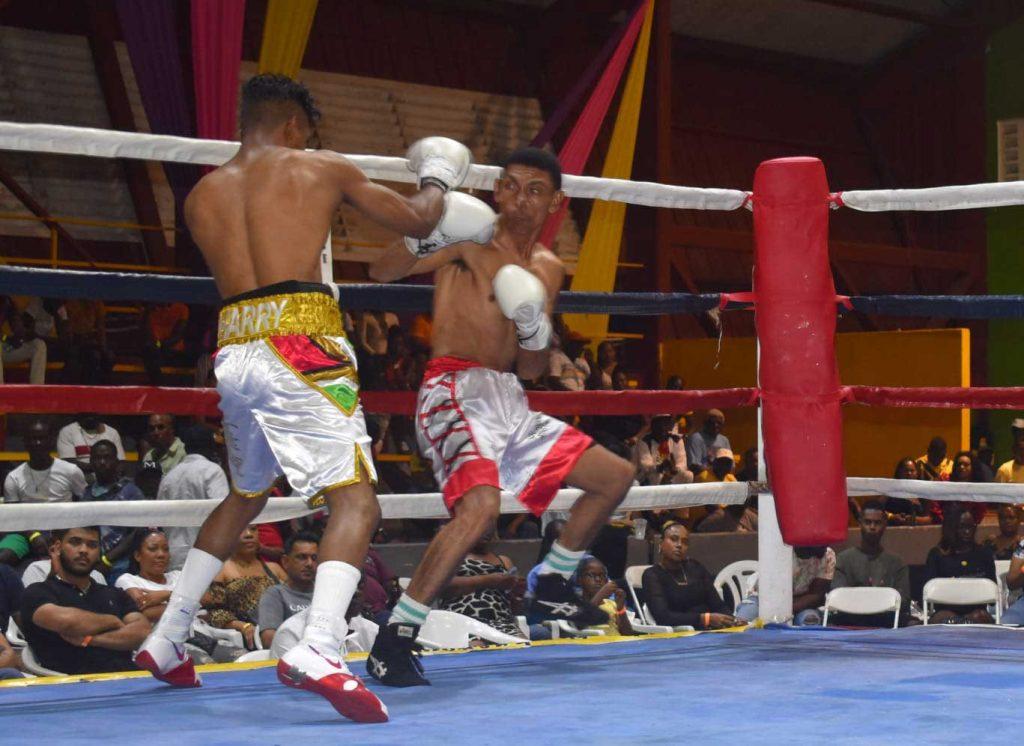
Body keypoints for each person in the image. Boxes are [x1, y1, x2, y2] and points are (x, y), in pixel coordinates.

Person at [135, 73, 473, 723]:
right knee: (357, 501)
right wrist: (437, 173)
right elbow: (419, 218)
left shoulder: (202, 194)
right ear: (294, 127)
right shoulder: (319, 167)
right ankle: (319, 648)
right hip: (303, 340)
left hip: (233, 348)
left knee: (247, 492)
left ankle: (169, 634)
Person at [367, 147, 635, 687]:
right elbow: (381, 269)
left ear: (555, 202)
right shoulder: (467, 238)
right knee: (480, 510)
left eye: (534, 190)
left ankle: (553, 581)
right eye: (510, 186)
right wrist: (428, 234)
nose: (519, 198)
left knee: (615, 477)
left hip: (508, 397)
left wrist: (535, 329)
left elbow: (531, 366)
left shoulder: (550, 269)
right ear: (497, 191)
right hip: (451, 388)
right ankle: (394, 636)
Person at [19, 527, 150, 674]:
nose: (84, 550)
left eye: (92, 545)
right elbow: (67, 622)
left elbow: (142, 632)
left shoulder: (114, 593)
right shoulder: (38, 592)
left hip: (129, 679)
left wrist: (90, 639)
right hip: (70, 686)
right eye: (75, 542)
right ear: (56, 548)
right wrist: (113, 621)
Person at [156, 425, 230, 570]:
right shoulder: (212, 471)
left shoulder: (169, 476)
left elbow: (159, 518)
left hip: (174, 554)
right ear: (210, 446)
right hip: (206, 555)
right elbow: (224, 514)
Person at [641, 522, 741, 630]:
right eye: (674, 539)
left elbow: (717, 605)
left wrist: (732, 620)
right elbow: (663, 617)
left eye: (685, 542)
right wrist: (704, 619)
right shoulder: (652, 575)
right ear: (661, 544)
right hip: (680, 634)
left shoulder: (695, 567)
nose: (679, 545)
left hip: (711, 630)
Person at [831, 500, 912, 627]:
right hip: (850, 621)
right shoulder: (843, 559)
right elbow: (838, 598)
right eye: (868, 522)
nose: (872, 527)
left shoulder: (897, 563)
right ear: (860, 523)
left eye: (877, 522)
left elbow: (903, 602)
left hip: (887, 622)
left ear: (885, 524)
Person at [206, 525, 287, 651]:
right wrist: (242, 626)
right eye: (241, 529)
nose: (249, 534)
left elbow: (294, 599)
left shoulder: (274, 568)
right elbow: (215, 613)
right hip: (250, 636)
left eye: (253, 529)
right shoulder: (221, 570)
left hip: (283, 629)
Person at [438, 534, 527, 642]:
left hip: (501, 622)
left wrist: (517, 593)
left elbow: (514, 607)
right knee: (476, 649)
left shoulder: (504, 561)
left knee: (523, 646)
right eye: (483, 529)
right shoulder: (452, 557)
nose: (486, 533)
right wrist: (488, 581)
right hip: (462, 621)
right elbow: (440, 588)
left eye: (491, 530)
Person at [79, 440, 145, 577]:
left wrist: (107, 560)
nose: (102, 462)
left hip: (122, 567)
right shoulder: (86, 494)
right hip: (91, 566)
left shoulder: (130, 491)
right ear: (91, 462)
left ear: (117, 462)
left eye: (107, 457)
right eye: (97, 458)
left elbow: (138, 531)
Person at [924, 504, 996, 624]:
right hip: (945, 612)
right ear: (951, 528)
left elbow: (992, 597)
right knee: (947, 619)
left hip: (977, 613)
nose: (967, 532)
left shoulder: (984, 553)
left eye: (971, 527)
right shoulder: (937, 555)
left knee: (978, 617)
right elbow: (927, 592)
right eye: (962, 527)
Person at [258, 531, 319, 649]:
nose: (309, 564)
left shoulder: (326, 592)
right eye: (302, 557)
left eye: (314, 558)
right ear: (285, 562)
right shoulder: (275, 594)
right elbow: (269, 640)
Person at [3, 419, 87, 504]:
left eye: (42, 438)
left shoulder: (71, 471)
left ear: (52, 441)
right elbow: (11, 514)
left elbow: (84, 503)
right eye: (33, 438)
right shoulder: (14, 478)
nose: (38, 443)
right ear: (25, 443)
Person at [115, 530, 180, 623]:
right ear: (137, 555)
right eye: (153, 549)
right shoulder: (128, 580)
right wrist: (192, 606)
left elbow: (207, 598)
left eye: (166, 549)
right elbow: (146, 612)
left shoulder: (178, 575)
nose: (161, 554)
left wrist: (167, 595)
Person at [577, 556, 633, 636]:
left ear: (607, 580)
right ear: (579, 580)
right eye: (591, 575)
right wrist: (600, 595)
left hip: (617, 645)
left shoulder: (611, 604)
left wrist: (621, 609)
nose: (598, 579)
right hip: (593, 646)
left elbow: (628, 634)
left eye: (602, 576)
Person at [633, 414, 693, 486]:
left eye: (665, 423)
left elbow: (682, 462)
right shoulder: (644, 441)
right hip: (649, 476)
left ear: (669, 425)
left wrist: (674, 468)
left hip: (672, 473)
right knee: (658, 476)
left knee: (689, 475)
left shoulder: (676, 440)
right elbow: (646, 466)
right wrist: (661, 466)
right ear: (653, 426)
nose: (662, 428)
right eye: (659, 424)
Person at [56, 414, 125, 472]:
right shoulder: (67, 431)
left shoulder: (112, 432)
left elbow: (120, 462)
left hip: (107, 478)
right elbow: (68, 462)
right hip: (78, 478)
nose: (90, 416)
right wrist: (99, 468)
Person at [0, 309, 47, 384]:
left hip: (5, 347)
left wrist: (21, 336)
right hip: (3, 343)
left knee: (39, 345)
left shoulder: (7, 302)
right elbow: (3, 337)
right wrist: (6, 338)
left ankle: (37, 389)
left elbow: (17, 324)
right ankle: (1, 392)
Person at [884, 457, 931, 526]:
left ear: (917, 473)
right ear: (899, 473)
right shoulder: (890, 490)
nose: (909, 473)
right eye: (905, 471)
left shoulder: (923, 493)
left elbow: (929, 519)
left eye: (912, 471)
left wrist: (914, 520)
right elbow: (876, 510)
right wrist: (891, 516)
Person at [685, 410, 731, 477]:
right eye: (712, 422)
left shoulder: (724, 440)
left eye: (719, 423)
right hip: (703, 479)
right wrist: (714, 470)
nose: (716, 425)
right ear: (705, 423)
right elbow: (694, 467)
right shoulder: (696, 438)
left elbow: (731, 466)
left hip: (721, 478)